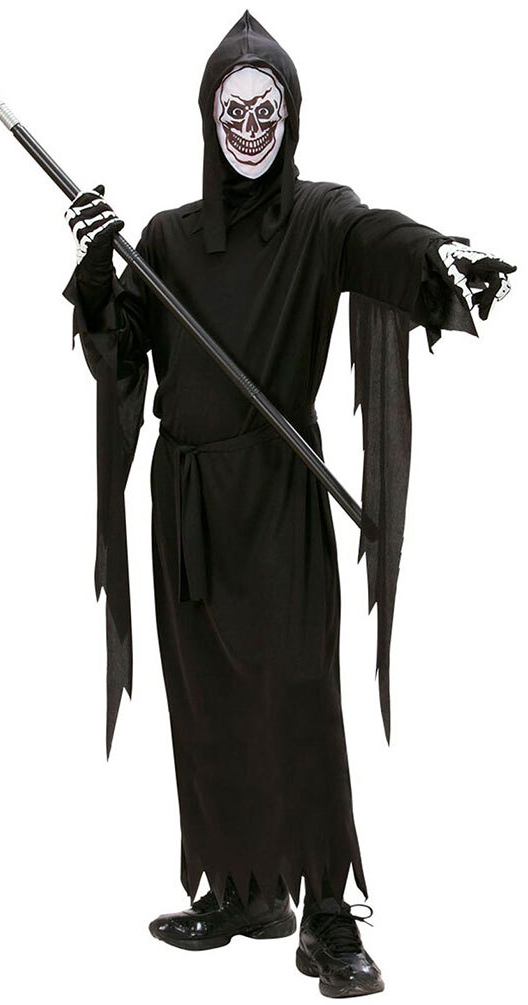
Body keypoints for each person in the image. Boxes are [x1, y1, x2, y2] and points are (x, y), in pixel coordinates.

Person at [62, 11, 514, 999]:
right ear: (207, 116)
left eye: (264, 110)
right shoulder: (166, 241)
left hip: (277, 494)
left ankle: (324, 916)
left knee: (299, 698)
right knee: (208, 700)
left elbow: (376, 238)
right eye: (232, 111)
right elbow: (114, 355)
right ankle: (244, 892)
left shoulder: (318, 217)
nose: (248, 129)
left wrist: (436, 258)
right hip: (186, 504)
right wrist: (97, 271)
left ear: (290, 115)